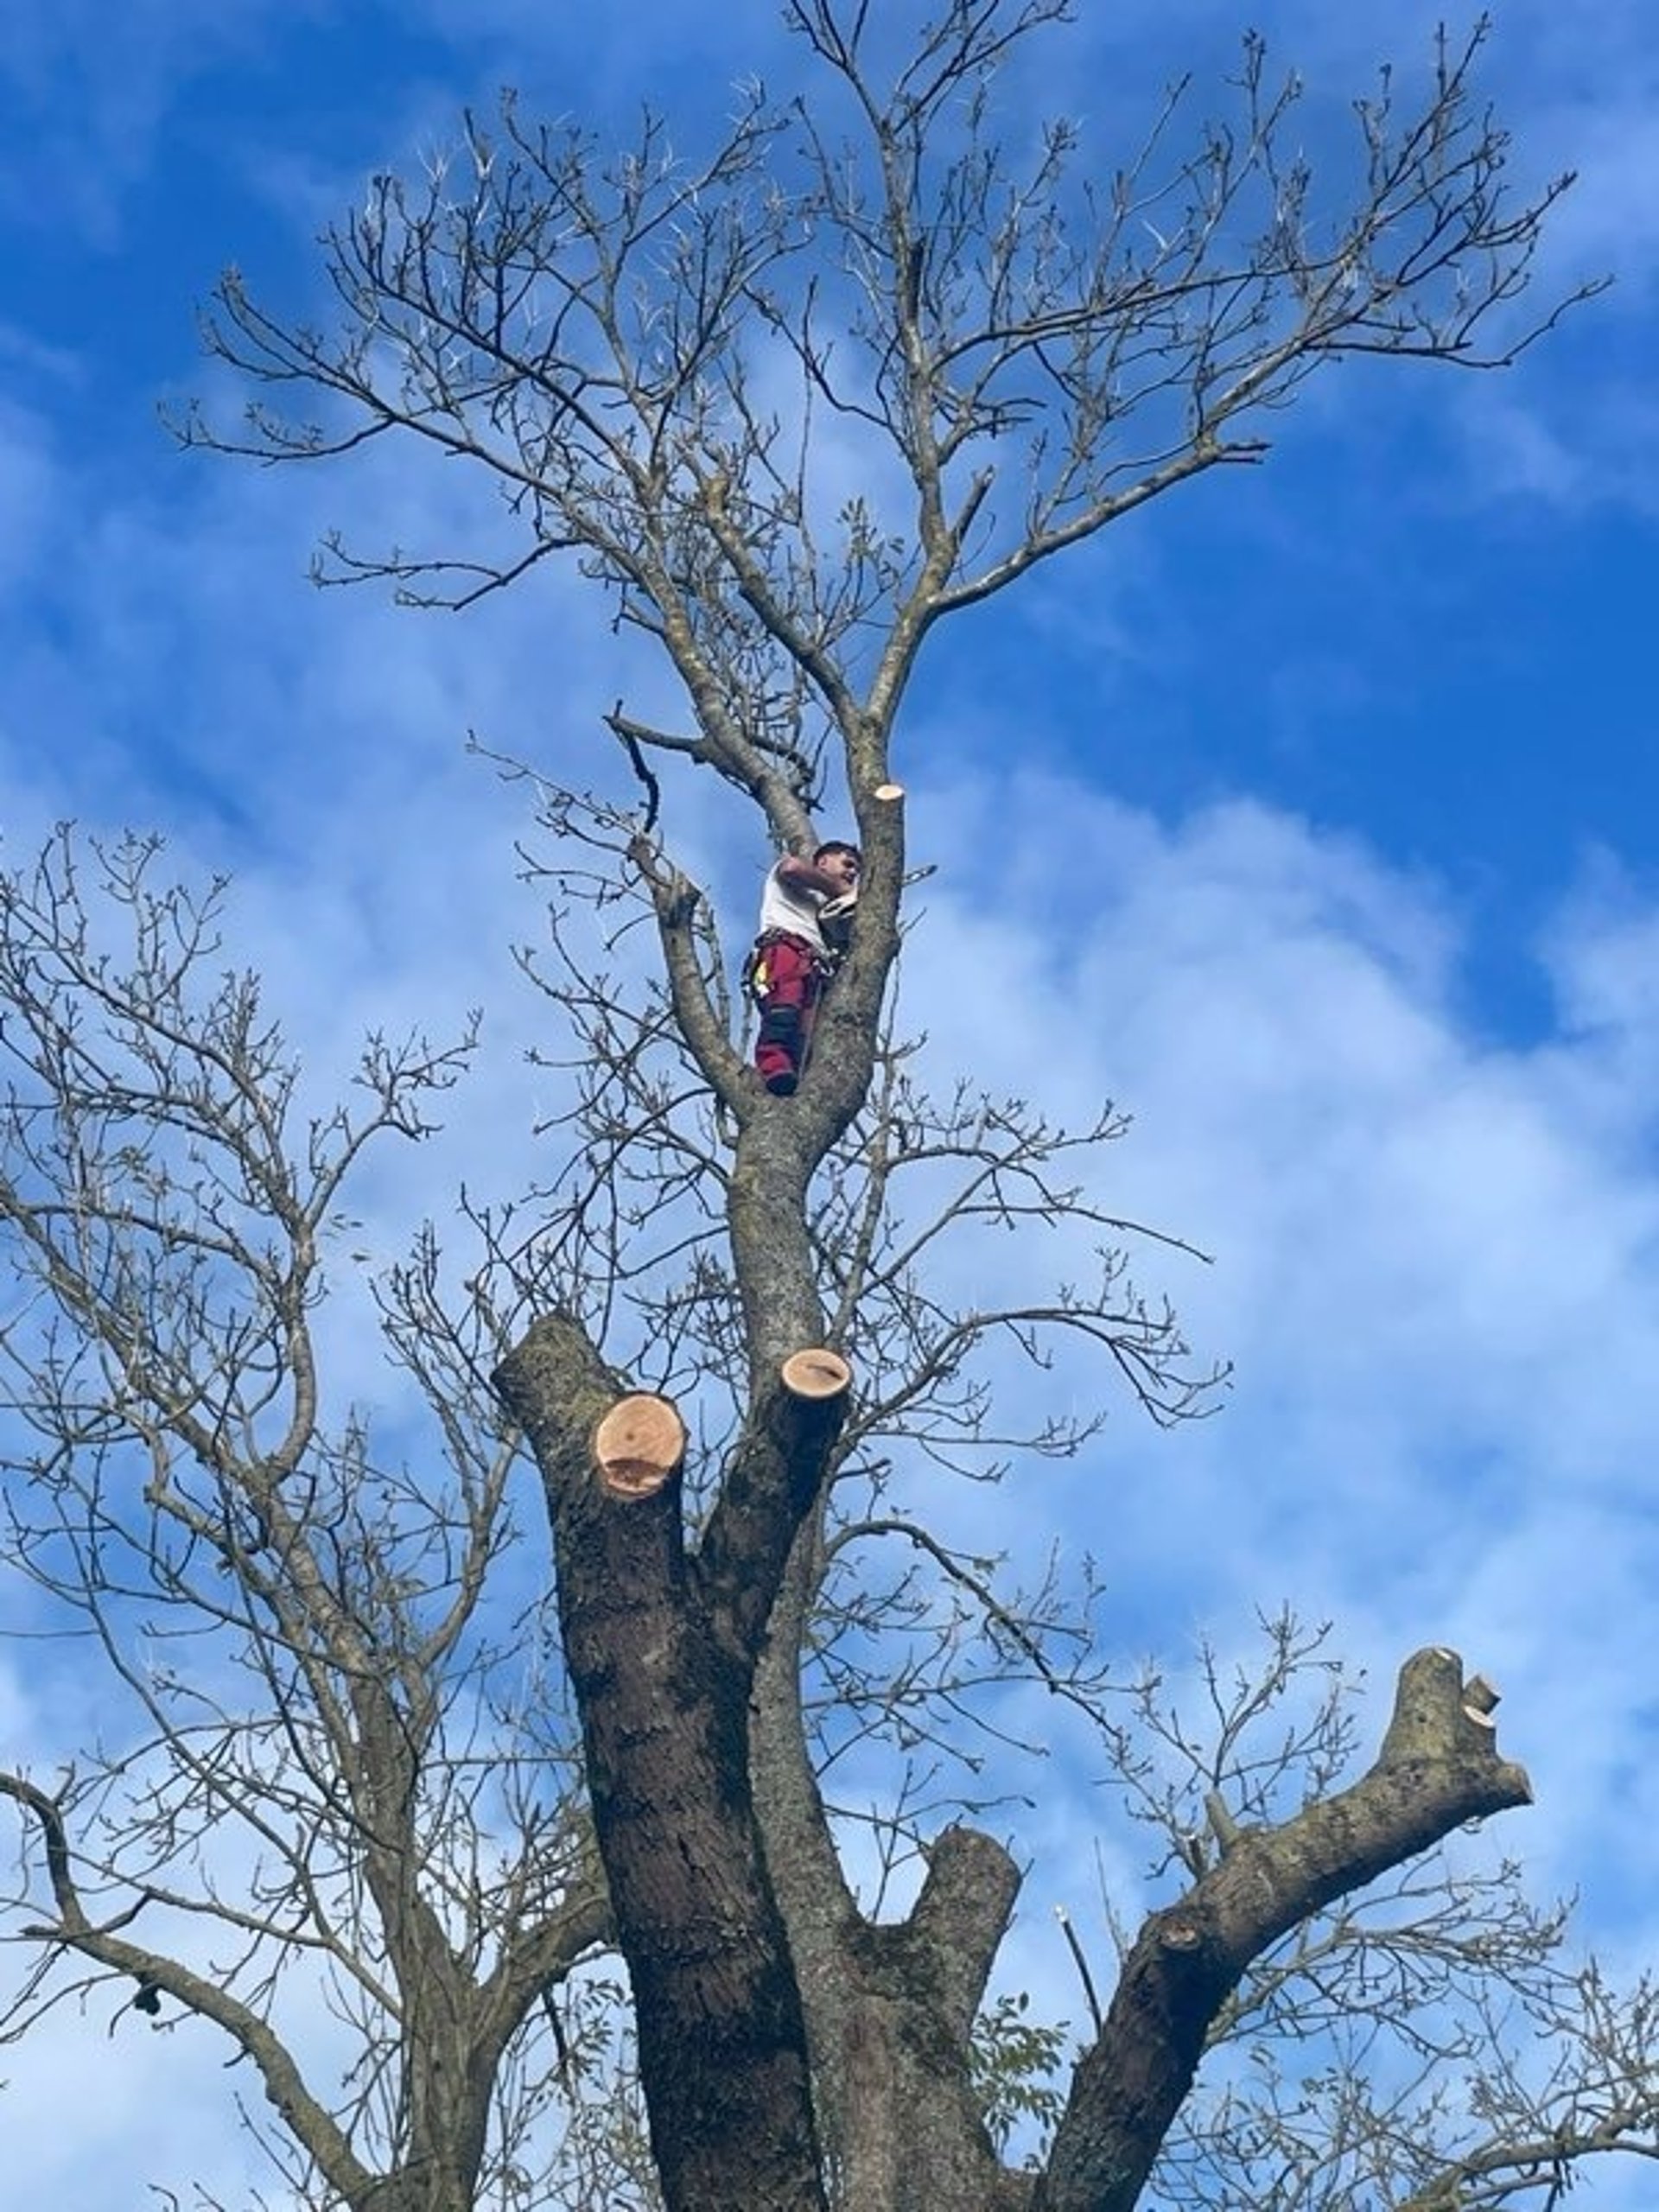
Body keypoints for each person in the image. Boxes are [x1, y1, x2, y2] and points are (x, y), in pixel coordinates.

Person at [748, 840, 861, 1096]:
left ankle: (794, 1079)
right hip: (784, 948)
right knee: (784, 1009)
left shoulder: (824, 905)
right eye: (847, 864)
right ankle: (772, 1065)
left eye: (855, 871)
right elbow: (791, 868)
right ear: (823, 862)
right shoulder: (789, 878)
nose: (852, 873)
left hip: (816, 969)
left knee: (807, 1035)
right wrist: (840, 889)